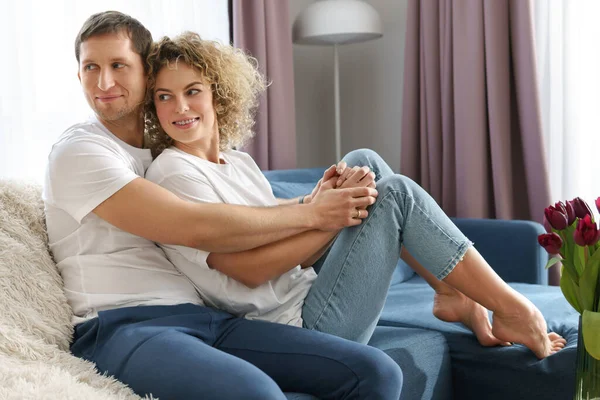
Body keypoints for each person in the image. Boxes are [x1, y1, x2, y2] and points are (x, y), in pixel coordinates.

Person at [43, 10, 403, 400]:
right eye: (91, 67)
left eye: (118, 65)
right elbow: (193, 225)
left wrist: (311, 199)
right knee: (256, 394)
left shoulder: (158, 152)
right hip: (124, 325)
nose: (104, 81)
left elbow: (236, 211)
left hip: (206, 316)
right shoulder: (81, 151)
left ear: (146, 75)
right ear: (78, 75)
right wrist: (313, 212)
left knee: (376, 371)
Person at [143, 32, 567, 360]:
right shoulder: (172, 174)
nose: (180, 107)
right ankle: (515, 309)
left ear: (218, 93)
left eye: (192, 90)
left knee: (362, 160)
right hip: (297, 326)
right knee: (394, 194)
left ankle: (453, 294)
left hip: (306, 289)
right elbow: (249, 271)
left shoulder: (236, 164)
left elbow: (273, 233)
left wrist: (317, 200)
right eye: (165, 97)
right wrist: (326, 215)